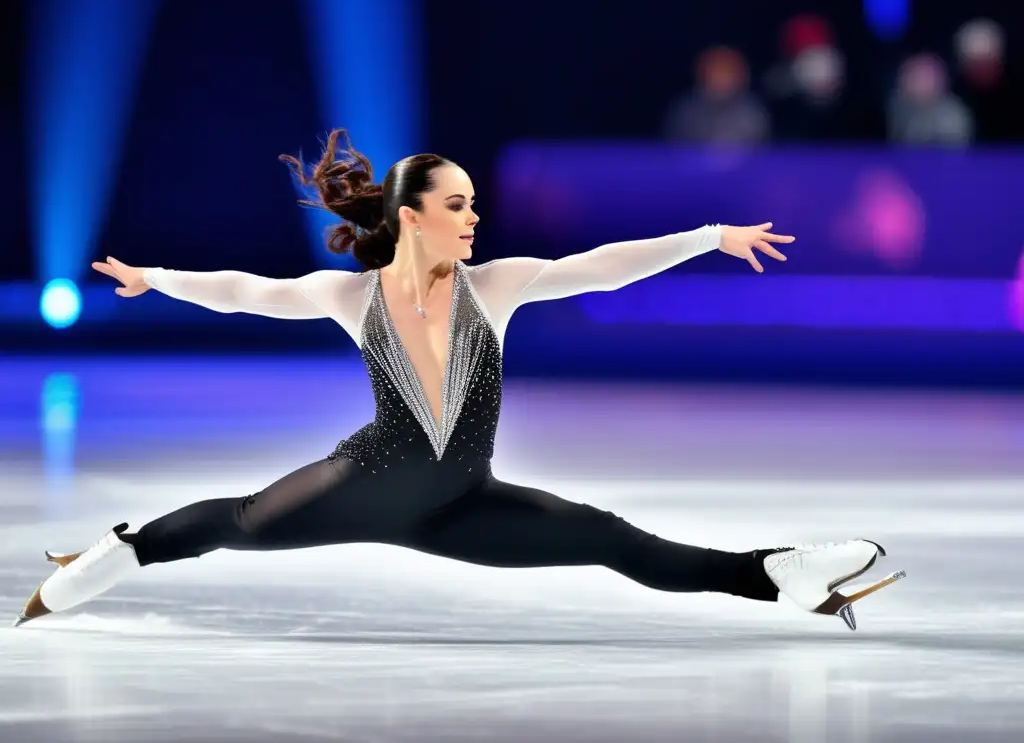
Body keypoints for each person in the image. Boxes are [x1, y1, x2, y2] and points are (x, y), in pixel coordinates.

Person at [14, 130, 904, 632]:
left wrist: (709, 235)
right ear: (411, 217)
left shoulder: (500, 286)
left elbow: (602, 267)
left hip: (460, 507)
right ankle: (120, 551)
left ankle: (776, 574)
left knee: (608, 537)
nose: (475, 218)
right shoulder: (351, 296)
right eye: (457, 205)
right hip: (358, 485)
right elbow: (248, 293)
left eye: (475, 204)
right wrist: (154, 280)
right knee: (238, 524)